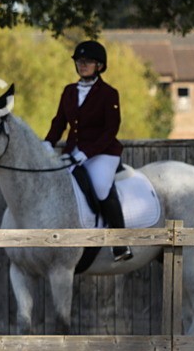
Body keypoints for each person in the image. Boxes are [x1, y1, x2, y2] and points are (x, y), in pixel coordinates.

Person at [44, 40, 131, 262]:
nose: (83, 65)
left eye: (88, 62)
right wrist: (47, 143)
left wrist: (88, 153)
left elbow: (111, 130)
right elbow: (59, 122)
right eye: (80, 61)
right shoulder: (69, 91)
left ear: (99, 66)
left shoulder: (109, 93)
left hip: (103, 152)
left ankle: (120, 243)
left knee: (101, 188)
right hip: (73, 151)